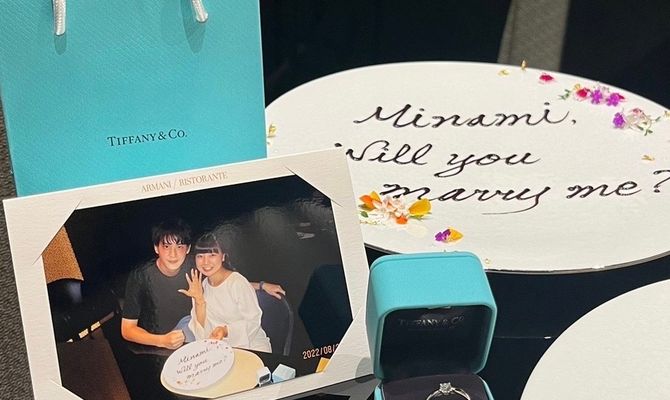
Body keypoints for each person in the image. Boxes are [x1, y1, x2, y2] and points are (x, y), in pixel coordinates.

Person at [121, 219, 284, 350]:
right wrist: (161, 341)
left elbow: (224, 281)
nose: (173, 254)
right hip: (153, 339)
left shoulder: (195, 265)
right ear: (156, 248)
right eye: (166, 246)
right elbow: (127, 330)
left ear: (187, 249)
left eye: (179, 246)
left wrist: (261, 286)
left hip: (191, 329)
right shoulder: (141, 277)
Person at [179, 233, 272, 352]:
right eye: (200, 256)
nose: (205, 262)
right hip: (219, 347)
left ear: (223, 257)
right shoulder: (202, 285)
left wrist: (226, 331)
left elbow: (253, 321)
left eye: (212, 255)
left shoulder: (237, 282)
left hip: (251, 346)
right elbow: (200, 331)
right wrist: (199, 301)